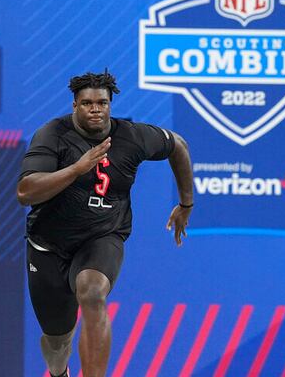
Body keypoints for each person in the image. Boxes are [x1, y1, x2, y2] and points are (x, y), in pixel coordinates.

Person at [16, 70, 193, 377]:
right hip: (48, 245)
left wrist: (186, 203)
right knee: (57, 344)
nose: (95, 109)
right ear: (75, 105)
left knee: (93, 292)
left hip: (102, 236)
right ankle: (59, 372)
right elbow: (25, 192)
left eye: (102, 103)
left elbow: (178, 145)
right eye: (87, 103)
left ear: (110, 105)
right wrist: (76, 169)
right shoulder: (52, 134)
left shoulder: (132, 136)